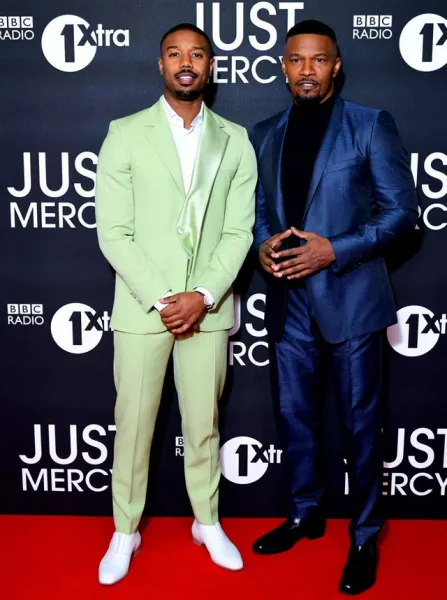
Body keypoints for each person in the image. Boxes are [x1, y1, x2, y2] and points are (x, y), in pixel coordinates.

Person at [250, 20, 417, 595]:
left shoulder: (370, 125)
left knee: (358, 423)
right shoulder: (265, 132)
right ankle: (305, 512)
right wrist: (264, 245)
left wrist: (333, 250)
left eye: (318, 61)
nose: (306, 71)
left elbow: (401, 214)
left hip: (349, 296)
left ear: (336, 65)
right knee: (294, 416)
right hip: (287, 300)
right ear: (283, 66)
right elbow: (260, 213)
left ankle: (366, 533)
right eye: (296, 60)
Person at [95, 23, 257, 585]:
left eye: (197, 54)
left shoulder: (235, 139)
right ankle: (125, 530)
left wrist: (204, 295)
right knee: (133, 423)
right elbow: (113, 232)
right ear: (160, 65)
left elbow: (239, 232)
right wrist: (167, 298)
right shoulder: (124, 133)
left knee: (204, 422)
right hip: (143, 309)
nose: (186, 62)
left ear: (210, 66)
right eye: (174, 54)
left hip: (208, 310)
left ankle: (206, 522)